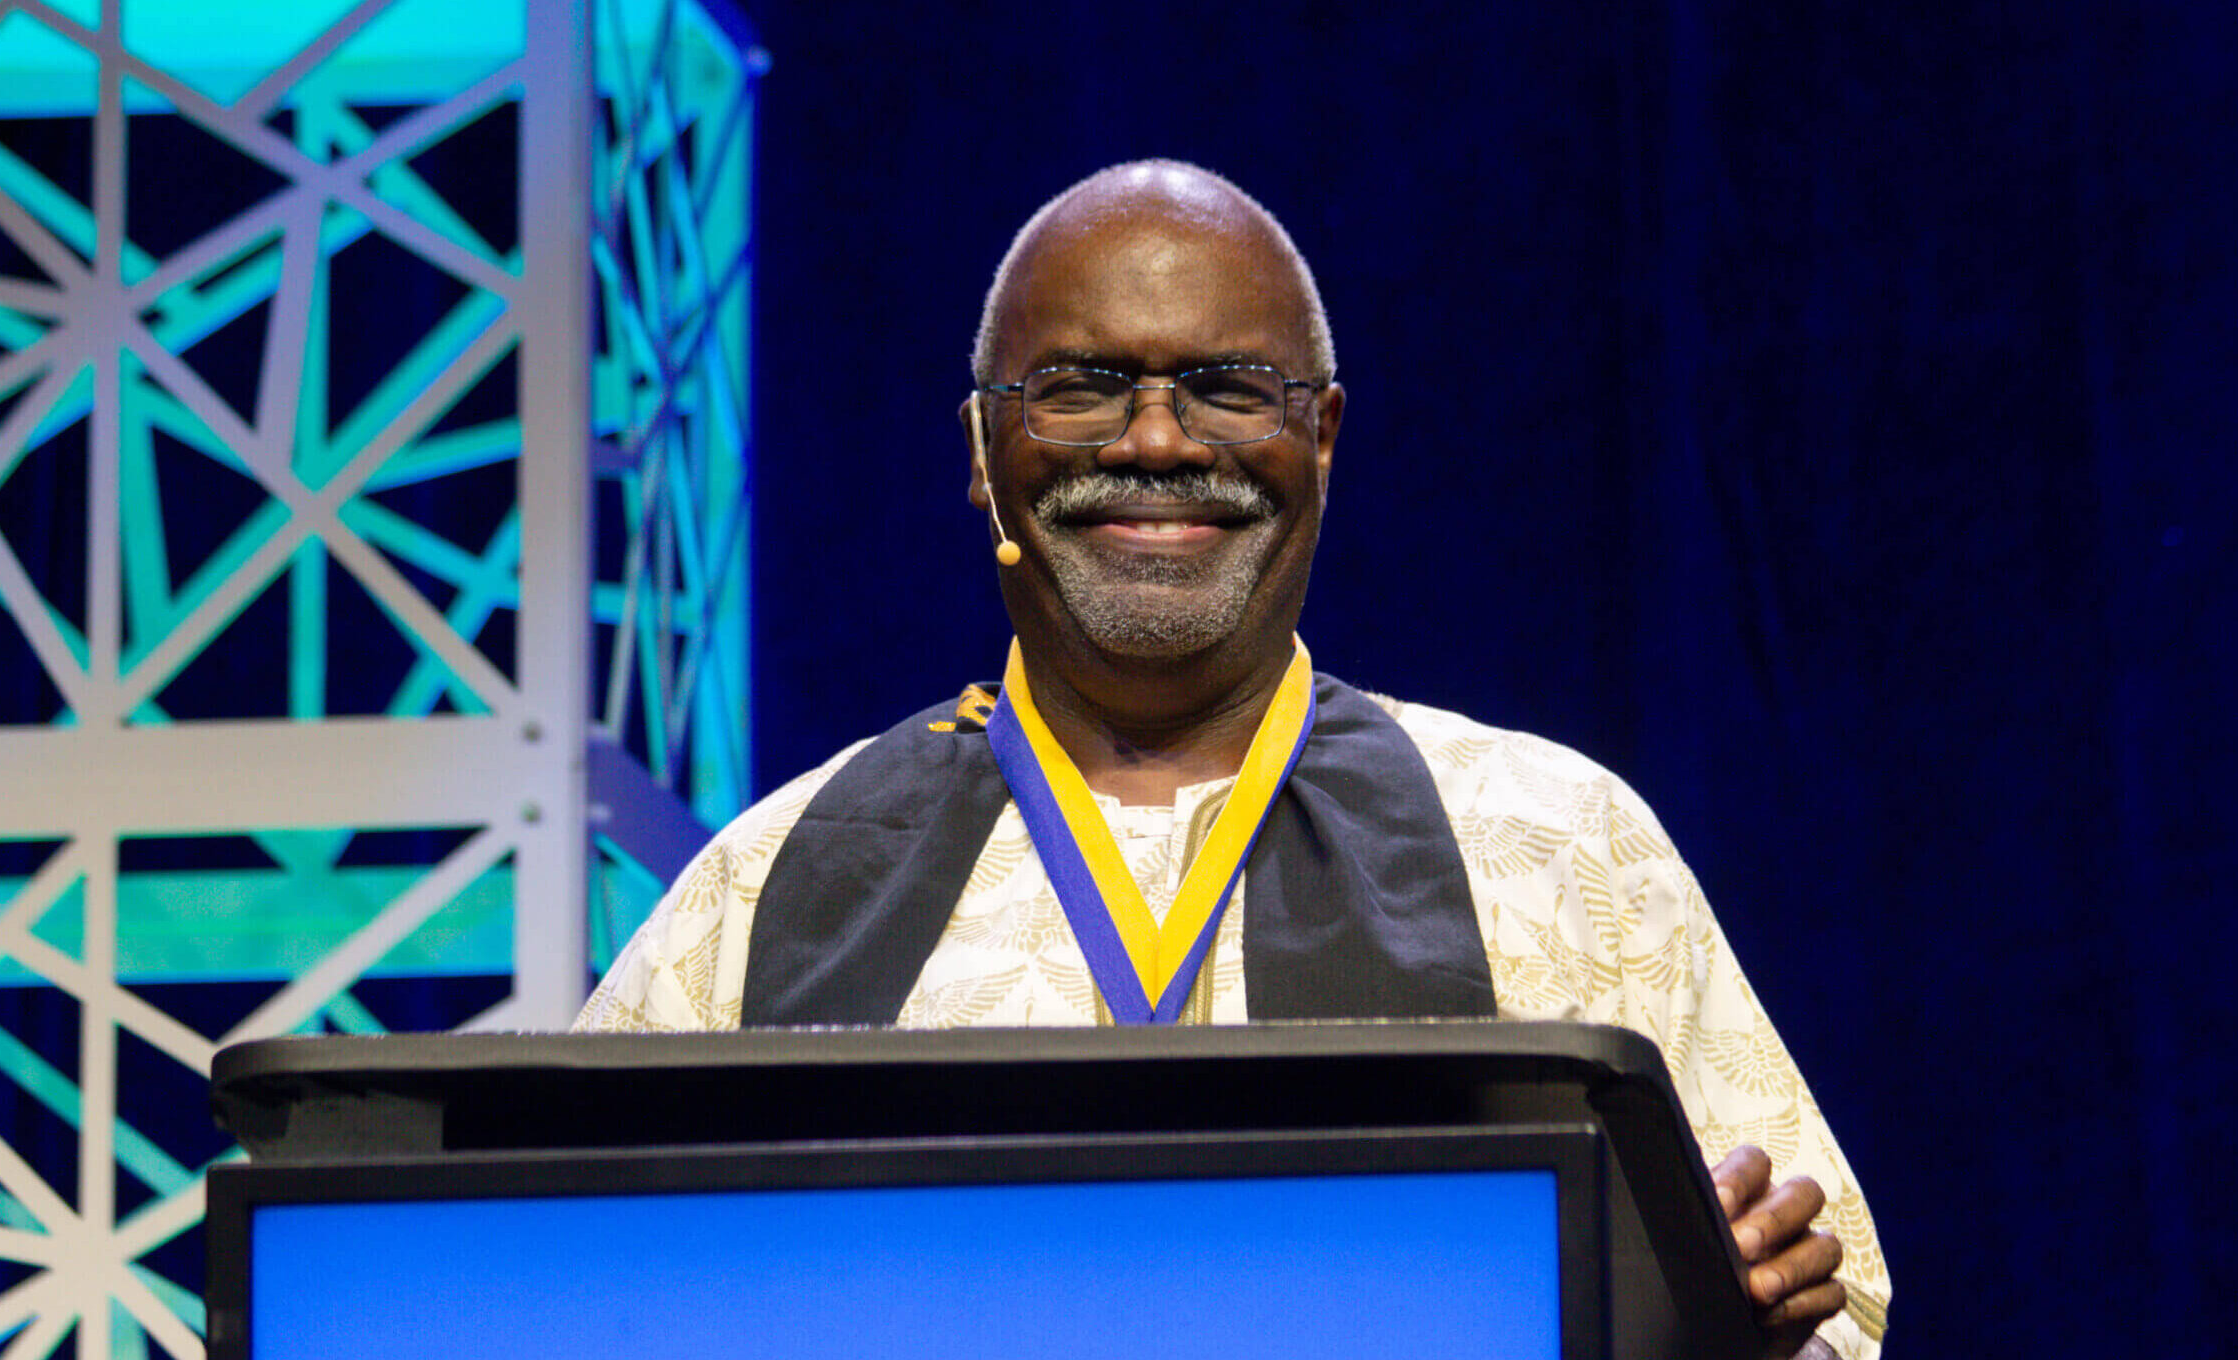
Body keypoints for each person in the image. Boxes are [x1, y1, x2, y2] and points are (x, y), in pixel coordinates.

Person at [574, 160, 1888, 1360]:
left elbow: (1833, 1314)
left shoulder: (1554, 839)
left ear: (1320, 438)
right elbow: (564, 1292)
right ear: (982, 451)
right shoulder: (778, 881)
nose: (1156, 443)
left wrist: (1727, 1332)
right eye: (1081, 386)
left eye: (1228, 387)